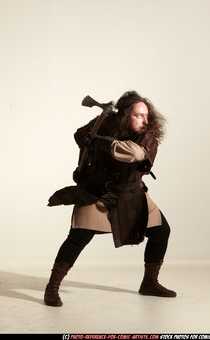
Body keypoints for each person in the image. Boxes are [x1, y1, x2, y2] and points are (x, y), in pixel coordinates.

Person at [44, 90, 176, 307]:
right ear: (124, 115)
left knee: (161, 231)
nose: (145, 120)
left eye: (146, 115)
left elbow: (132, 152)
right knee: (78, 237)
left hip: (132, 194)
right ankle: (52, 288)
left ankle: (149, 283)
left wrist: (99, 141)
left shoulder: (148, 136)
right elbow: (79, 135)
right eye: (138, 115)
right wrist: (86, 144)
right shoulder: (104, 122)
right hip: (97, 192)